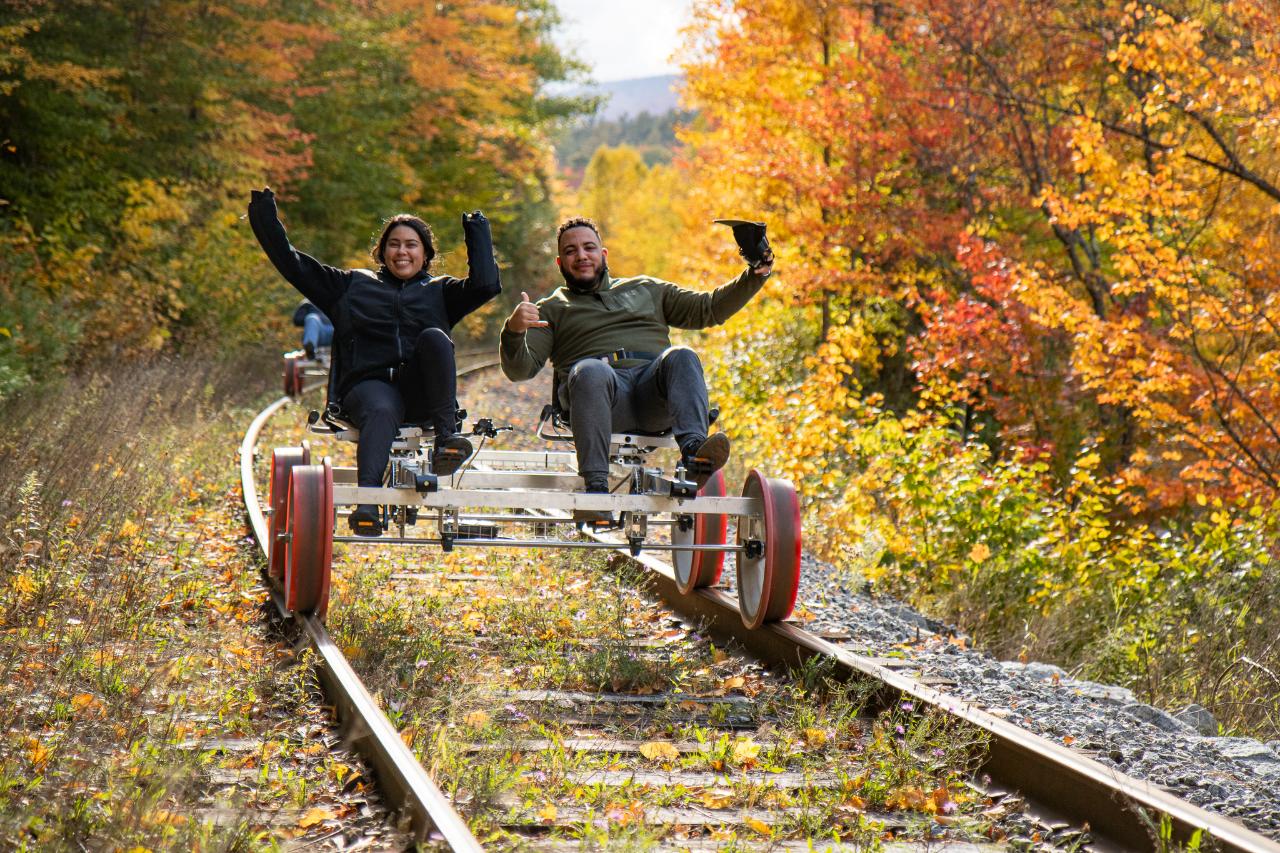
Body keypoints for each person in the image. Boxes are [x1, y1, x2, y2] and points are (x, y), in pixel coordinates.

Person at [248, 187, 501, 536]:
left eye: (411, 244)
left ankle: (447, 442)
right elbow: (292, 264)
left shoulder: (440, 292)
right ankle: (367, 502)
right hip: (368, 388)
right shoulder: (350, 285)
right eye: (394, 244)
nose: (402, 251)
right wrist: (264, 216)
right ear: (381, 251)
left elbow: (487, 285)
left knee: (435, 338)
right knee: (381, 408)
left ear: (426, 253)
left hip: (420, 394)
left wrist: (478, 230)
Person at [499, 216, 773, 517]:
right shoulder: (551, 308)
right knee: (591, 369)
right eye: (571, 251)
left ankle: (695, 455)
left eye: (589, 247)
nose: (581, 256)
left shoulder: (646, 289)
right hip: (600, 396)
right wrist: (513, 331)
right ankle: (596, 490)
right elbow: (520, 370)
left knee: (682, 355)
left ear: (603, 254)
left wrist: (755, 274)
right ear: (560, 262)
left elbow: (708, 309)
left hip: (651, 396)